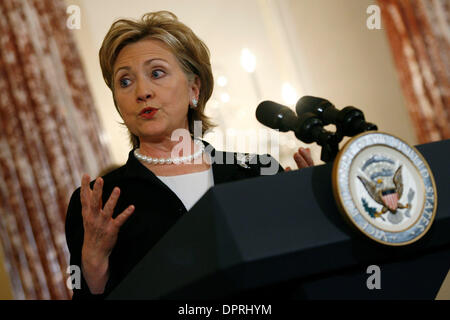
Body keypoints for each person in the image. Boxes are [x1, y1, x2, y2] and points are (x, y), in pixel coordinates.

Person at [65, 11, 314, 300]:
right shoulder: (100, 202)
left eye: (156, 73)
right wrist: (94, 263)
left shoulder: (259, 173)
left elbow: (300, 278)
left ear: (194, 88)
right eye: (125, 81)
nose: (143, 91)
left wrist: (309, 214)